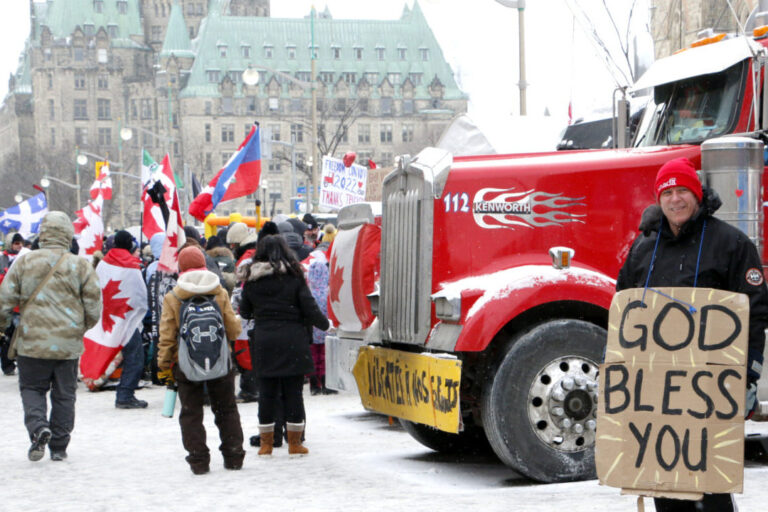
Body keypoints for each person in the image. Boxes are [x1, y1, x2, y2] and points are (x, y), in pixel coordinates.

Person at [616, 157, 768, 512]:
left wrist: (748, 376)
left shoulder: (731, 244)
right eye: (667, 192)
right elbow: (623, 311)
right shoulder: (642, 249)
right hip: (657, 394)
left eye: (682, 190)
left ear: (697, 195)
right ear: (659, 199)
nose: (675, 199)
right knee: (664, 482)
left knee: (710, 483)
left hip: (710, 388)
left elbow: (755, 312)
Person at [0, 212, 101, 461]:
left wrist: (3, 326)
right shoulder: (80, 265)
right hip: (67, 344)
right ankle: (59, 445)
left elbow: (5, 299)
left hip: (31, 341)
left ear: (43, 233)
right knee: (65, 394)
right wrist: (79, 328)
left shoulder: (23, 262)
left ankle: (38, 428)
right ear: (68, 234)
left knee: (32, 388)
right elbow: (94, 307)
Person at [157, 246, 245, 474]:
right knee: (226, 409)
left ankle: (198, 461)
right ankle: (234, 456)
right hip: (220, 361)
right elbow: (234, 330)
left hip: (185, 365)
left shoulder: (174, 296)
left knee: (191, 413)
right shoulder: (219, 291)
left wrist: (164, 364)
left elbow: (167, 336)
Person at [239, 235, 329, 456]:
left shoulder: (252, 278)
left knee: (267, 394)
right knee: (293, 393)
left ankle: (266, 444)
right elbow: (309, 307)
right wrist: (323, 323)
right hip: (293, 341)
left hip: (265, 342)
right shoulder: (295, 277)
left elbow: (245, 311)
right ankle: (295, 443)